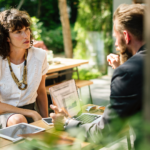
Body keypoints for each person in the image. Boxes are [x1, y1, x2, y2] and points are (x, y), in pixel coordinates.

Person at [50, 3, 146, 147]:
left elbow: (104, 133)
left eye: (116, 37)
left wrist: (67, 122)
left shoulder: (129, 72)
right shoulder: (132, 70)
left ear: (126, 36)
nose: (115, 43)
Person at [0, 8, 49, 128]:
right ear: (6, 37)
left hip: (32, 113)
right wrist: (30, 113)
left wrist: (46, 121)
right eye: (18, 32)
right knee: (19, 120)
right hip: (4, 115)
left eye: (26, 29)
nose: (26, 35)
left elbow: (41, 91)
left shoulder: (40, 55)